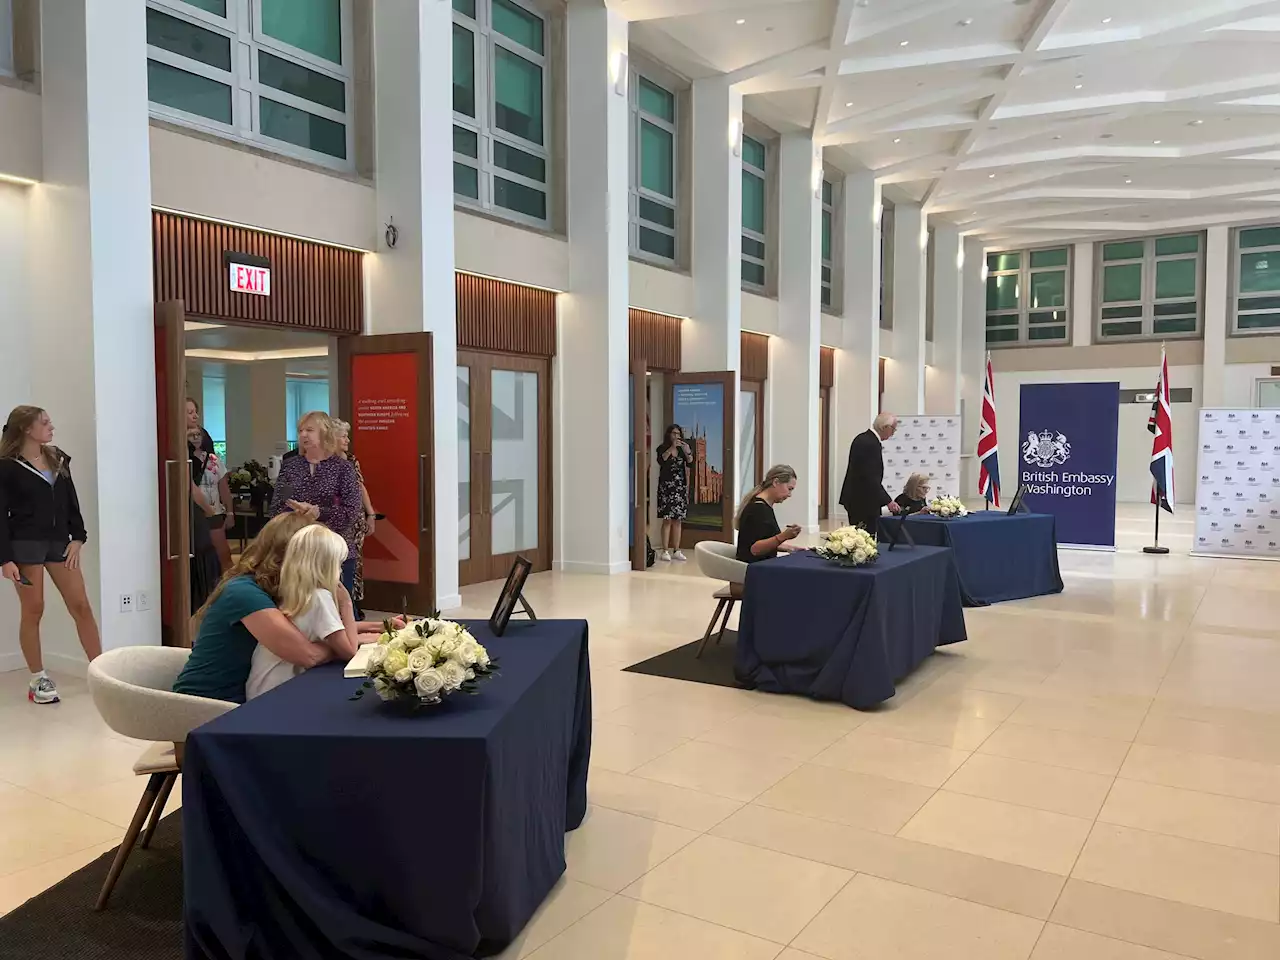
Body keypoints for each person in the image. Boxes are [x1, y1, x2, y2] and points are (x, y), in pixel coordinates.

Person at [173, 513, 391, 704]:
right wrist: (346, 643)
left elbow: (306, 627)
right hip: (214, 700)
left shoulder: (266, 585)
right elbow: (308, 654)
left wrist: (374, 627)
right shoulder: (245, 593)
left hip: (244, 694)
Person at [0, 406, 101, 704]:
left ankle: (101, 672)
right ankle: (38, 679)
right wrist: (5, 559)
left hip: (59, 542)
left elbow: (71, 501)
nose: (51, 427)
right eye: (44, 423)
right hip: (25, 545)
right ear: (27, 429)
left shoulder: (57, 458)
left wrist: (78, 537)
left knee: (81, 605)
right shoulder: (6, 466)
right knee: (34, 609)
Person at [245, 525, 362, 700]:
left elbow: (335, 634)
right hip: (277, 695)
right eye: (338, 564)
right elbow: (350, 651)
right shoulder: (320, 597)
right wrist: (346, 604)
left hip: (261, 688)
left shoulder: (296, 592)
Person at [269, 411, 363, 601]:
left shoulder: (343, 468)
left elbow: (352, 511)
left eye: (310, 430)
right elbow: (276, 508)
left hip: (333, 549)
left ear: (325, 433)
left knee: (337, 608)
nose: (303, 435)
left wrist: (320, 512)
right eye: (301, 430)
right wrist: (296, 513)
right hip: (297, 549)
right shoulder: (290, 466)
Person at [332, 418, 375, 616]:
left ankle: (353, 605)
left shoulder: (350, 460)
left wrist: (370, 514)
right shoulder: (324, 462)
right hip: (332, 520)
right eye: (344, 436)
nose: (347, 440)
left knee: (354, 562)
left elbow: (360, 486)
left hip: (354, 519)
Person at [839, 412, 901, 535]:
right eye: (893, 429)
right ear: (885, 427)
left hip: (860, 499)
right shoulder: (870, 443)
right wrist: (888, 501)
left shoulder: (864, 438)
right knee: (865, 539)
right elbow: (870, 477)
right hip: (863, 502)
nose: (893, 433)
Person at [189, 419, 234, 571]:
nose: (195, 438)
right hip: (194, 514)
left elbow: (224, 489)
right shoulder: (184, 460)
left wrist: (230, 512)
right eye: (191, 435)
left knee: (223, 554)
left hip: (214, 513)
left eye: (198, 434)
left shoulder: (214, 461)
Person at [735, 464, 802, 564]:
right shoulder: (759, 509)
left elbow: (763, 540)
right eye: (789, 489)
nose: (789, 495)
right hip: (755, 570)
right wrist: (784, 536)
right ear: (776, 482)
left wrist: (791, 548)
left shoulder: (760, 505)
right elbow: (755, 549)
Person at [655, 424, 693, 562]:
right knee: (667, 519)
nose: (676, 436)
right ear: (669, 435)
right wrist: (672, 448)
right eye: (674, 433)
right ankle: (665, 550)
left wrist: (688, 452)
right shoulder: (662, 448)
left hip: (679, 488)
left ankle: (677, 550)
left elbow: (690, 463)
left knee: (678, 520)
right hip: (666, 488)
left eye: (678, 434)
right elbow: (662, 460)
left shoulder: (682, 450)